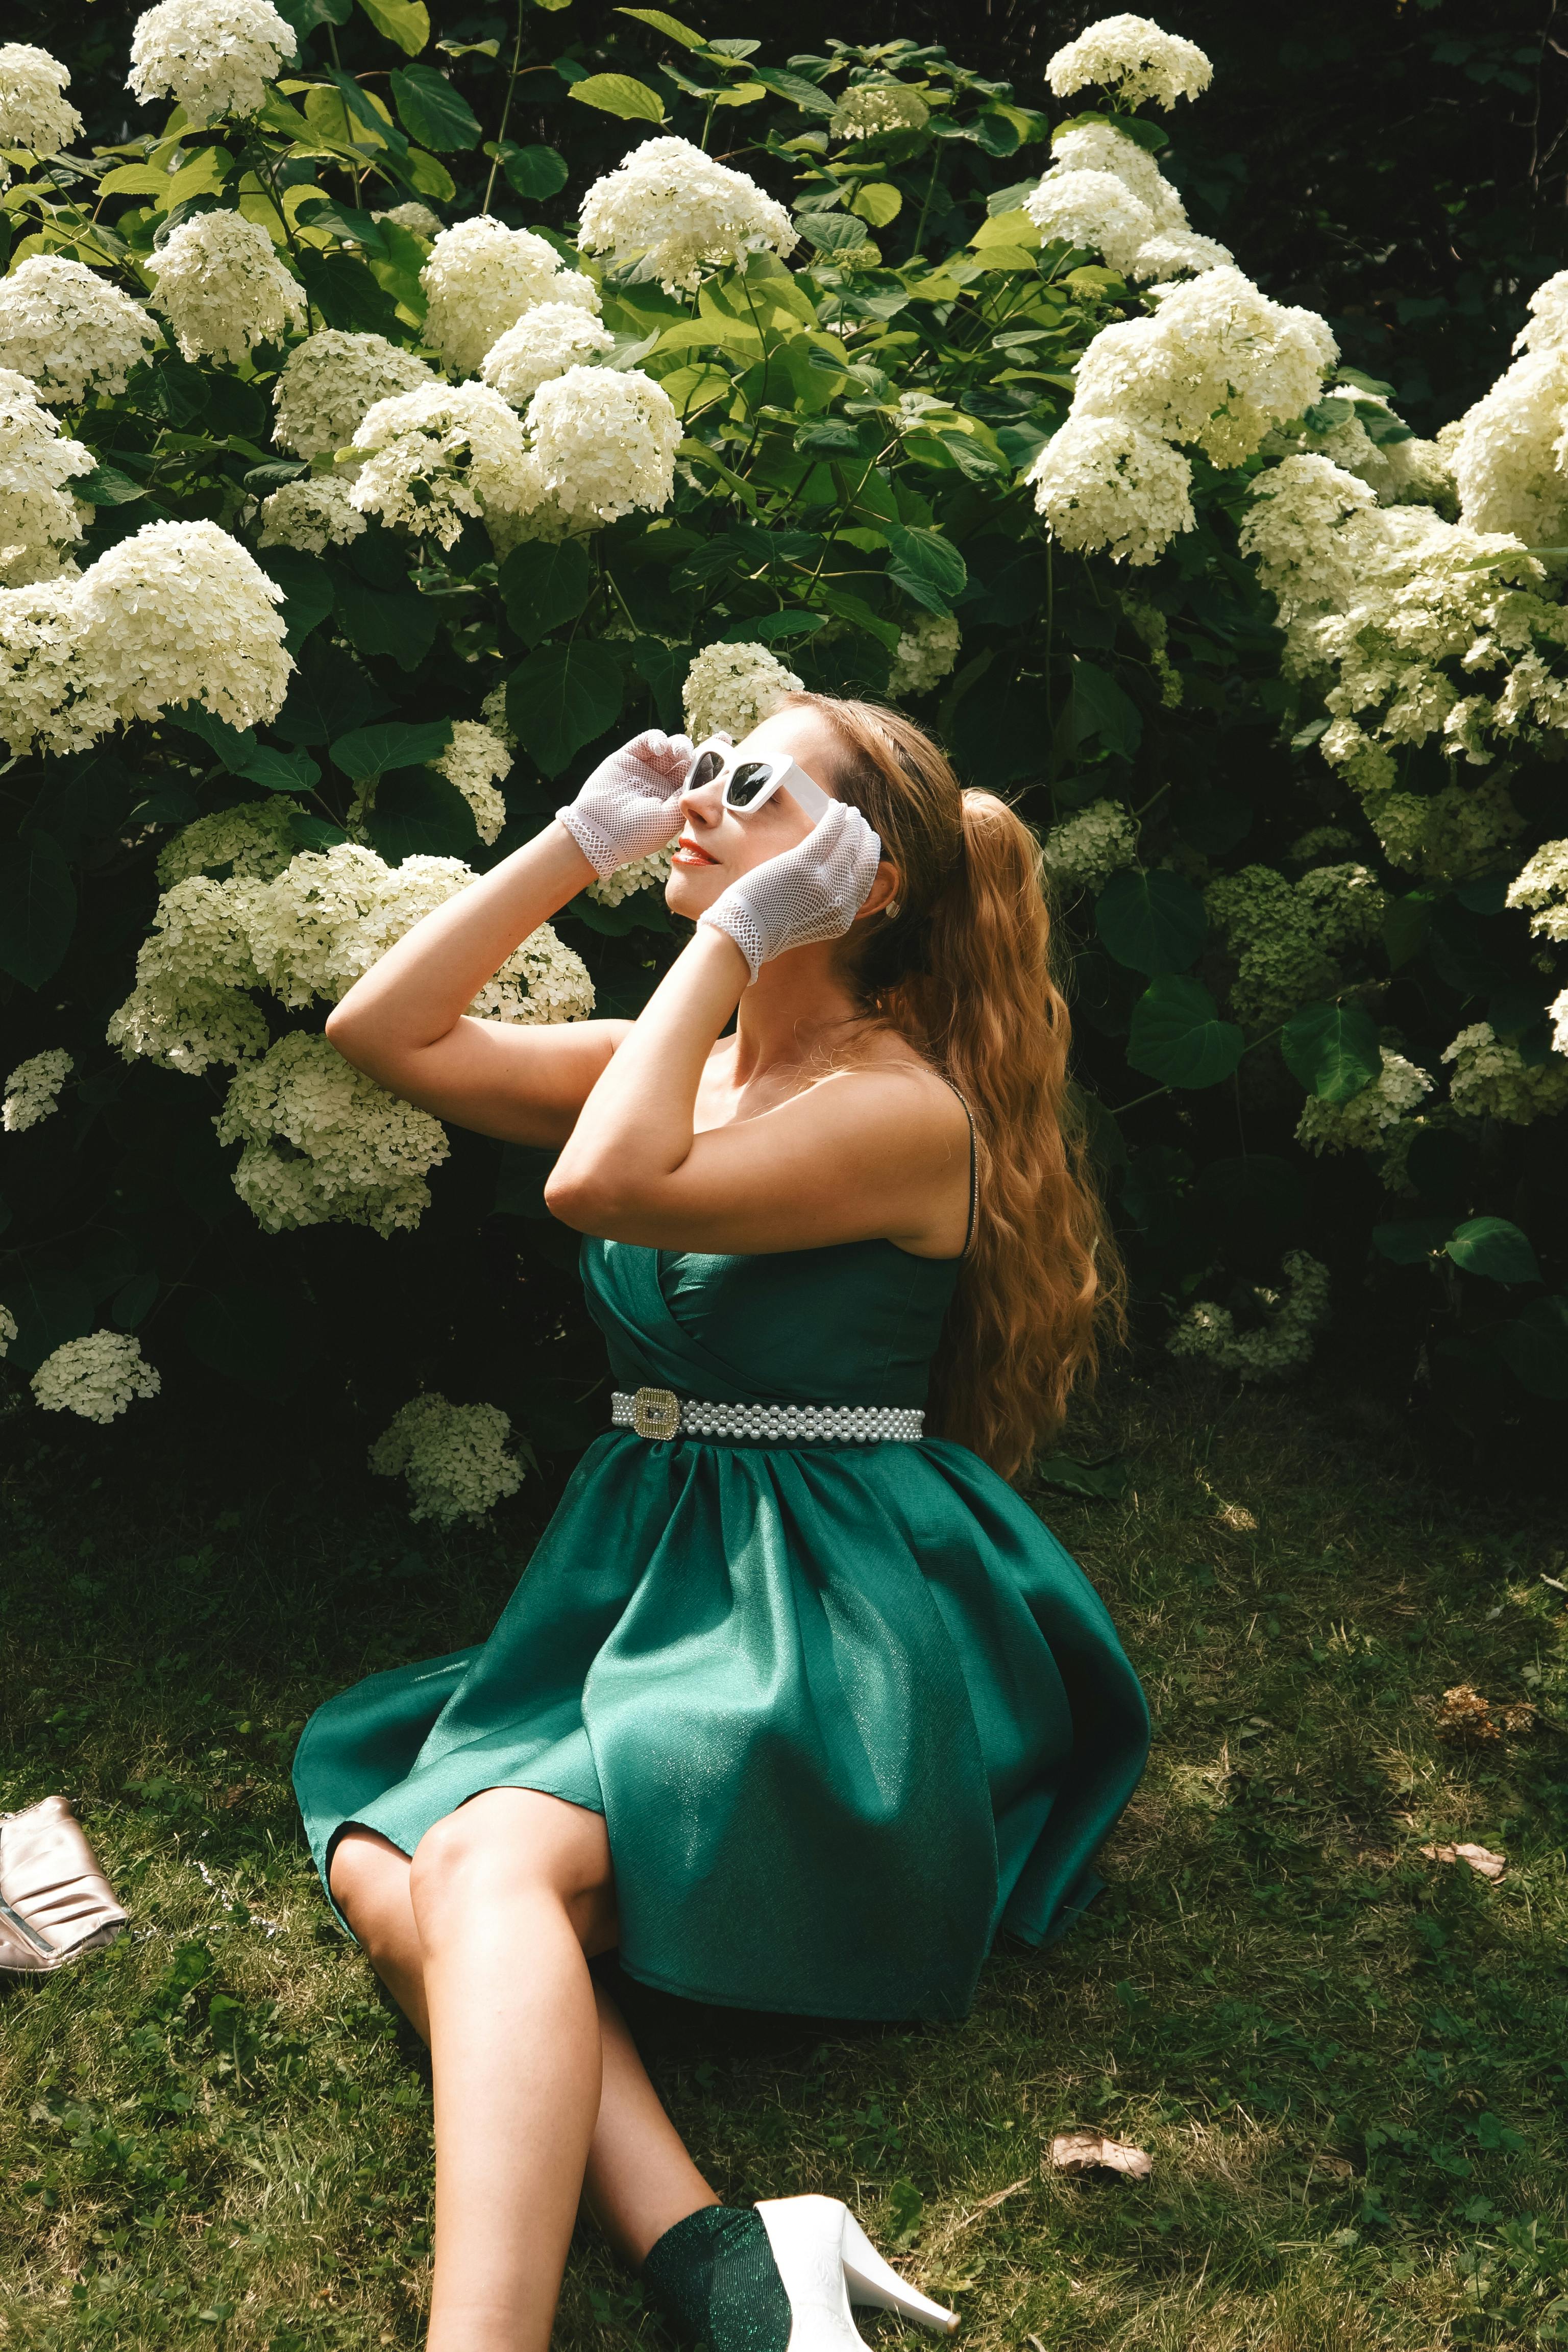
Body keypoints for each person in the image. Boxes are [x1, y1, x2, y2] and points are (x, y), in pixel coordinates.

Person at [292, 694, 1150, 2352]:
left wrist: (742, 928)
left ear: (863, 878)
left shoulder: (902, 1111)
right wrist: (576, 844)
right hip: (660, 1567)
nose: (703, 799)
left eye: (753, 789)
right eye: (703, 769)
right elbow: (380, 1033)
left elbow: (599, 1188)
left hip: (833, 1608)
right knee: (403, 1855)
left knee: (468, 1858)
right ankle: (720, 2252)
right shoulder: (688, 1065)